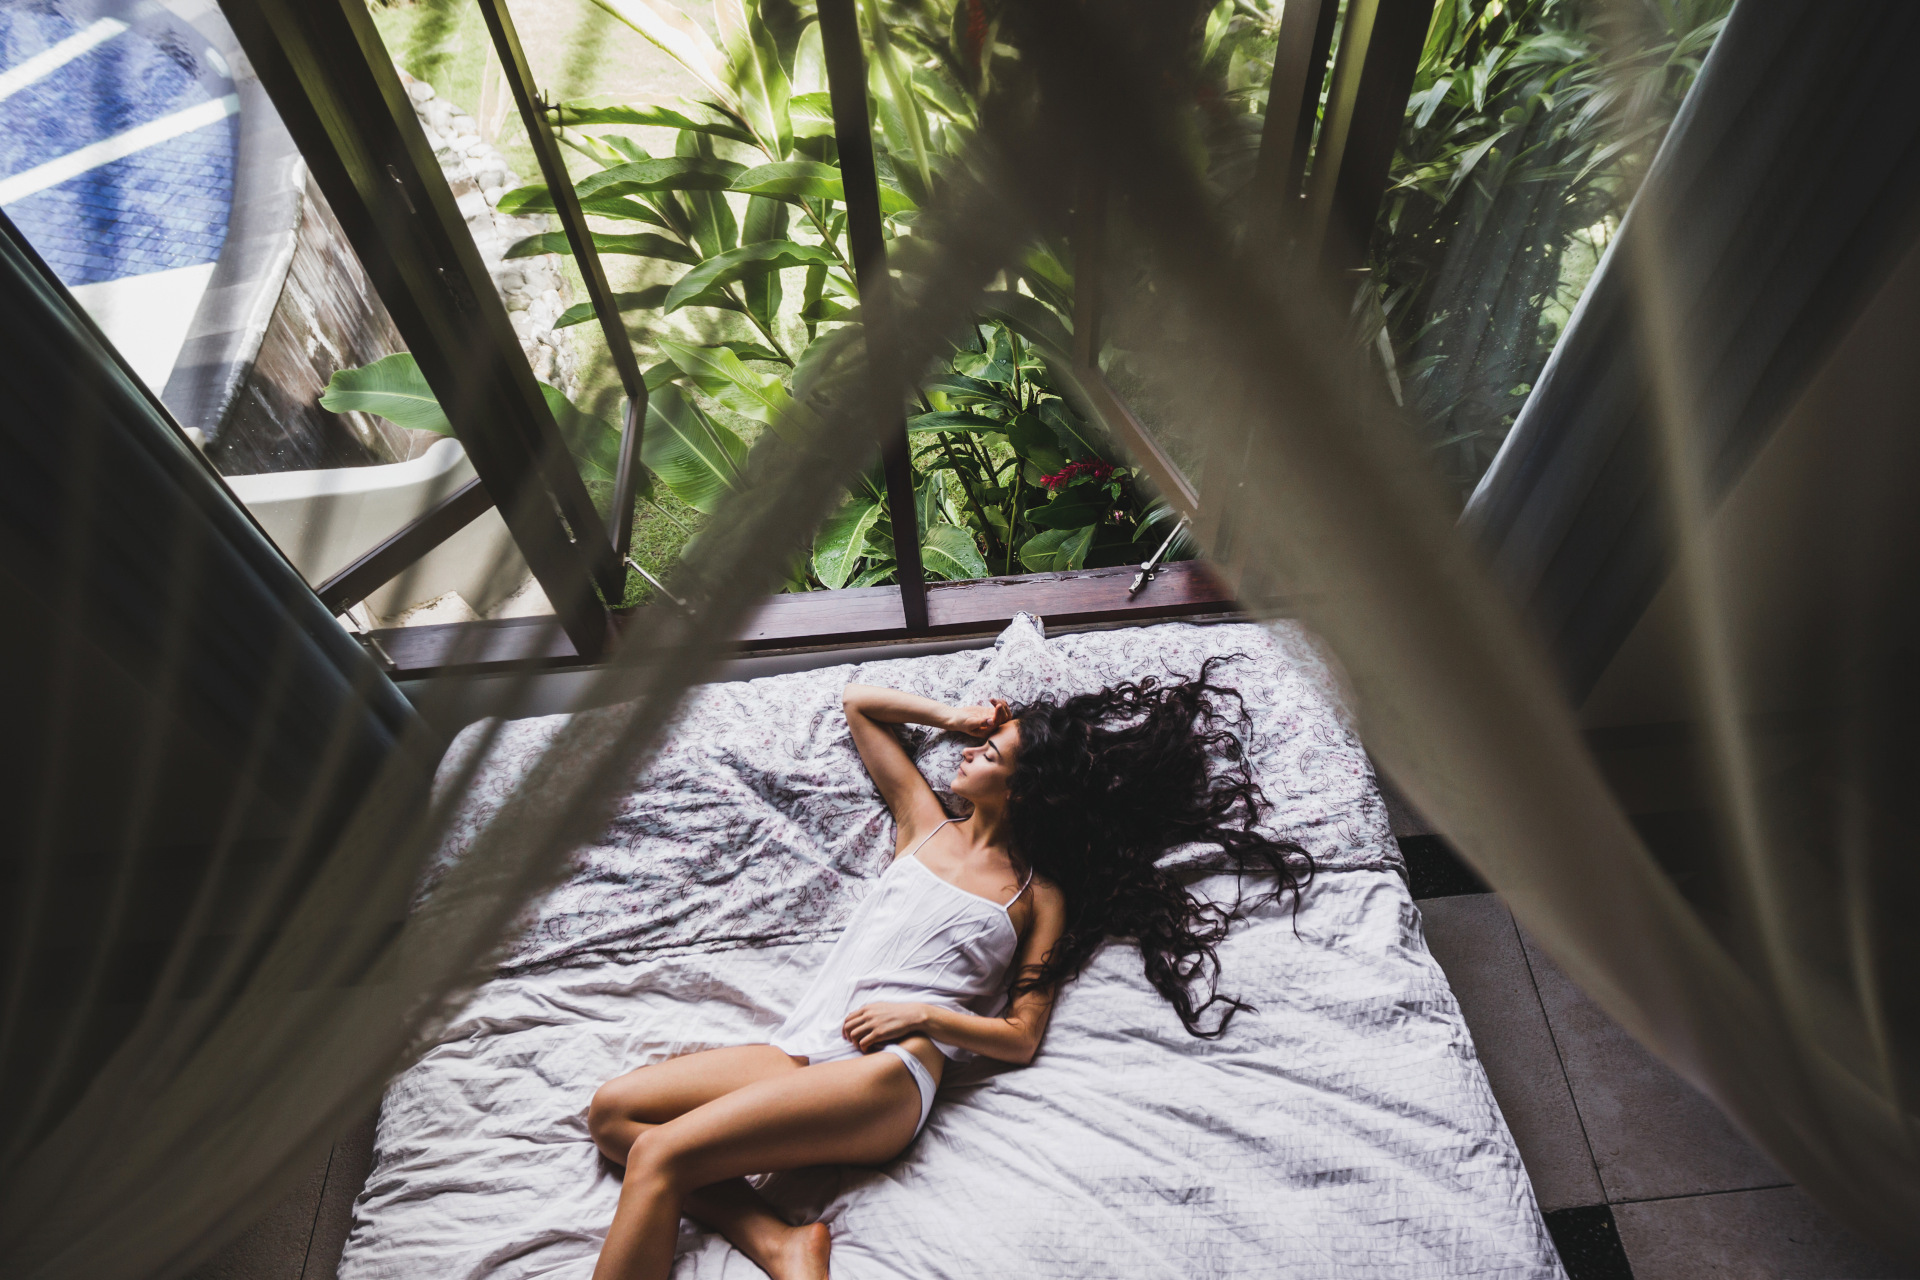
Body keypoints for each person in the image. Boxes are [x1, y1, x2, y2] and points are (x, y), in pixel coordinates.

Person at [584, 658, 1312, 1280]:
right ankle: (780, 1241)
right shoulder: (923, 821)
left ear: (1024, 790)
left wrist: (926, 1017)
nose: (970, 753)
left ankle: (779, 1239)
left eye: (992, 752)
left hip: (892, 1070)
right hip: (805, 1048)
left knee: (660, 1156)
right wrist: (956, 715)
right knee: (616, 1115)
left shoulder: (1038, 895)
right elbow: (859, 704)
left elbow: (1023, 1035)